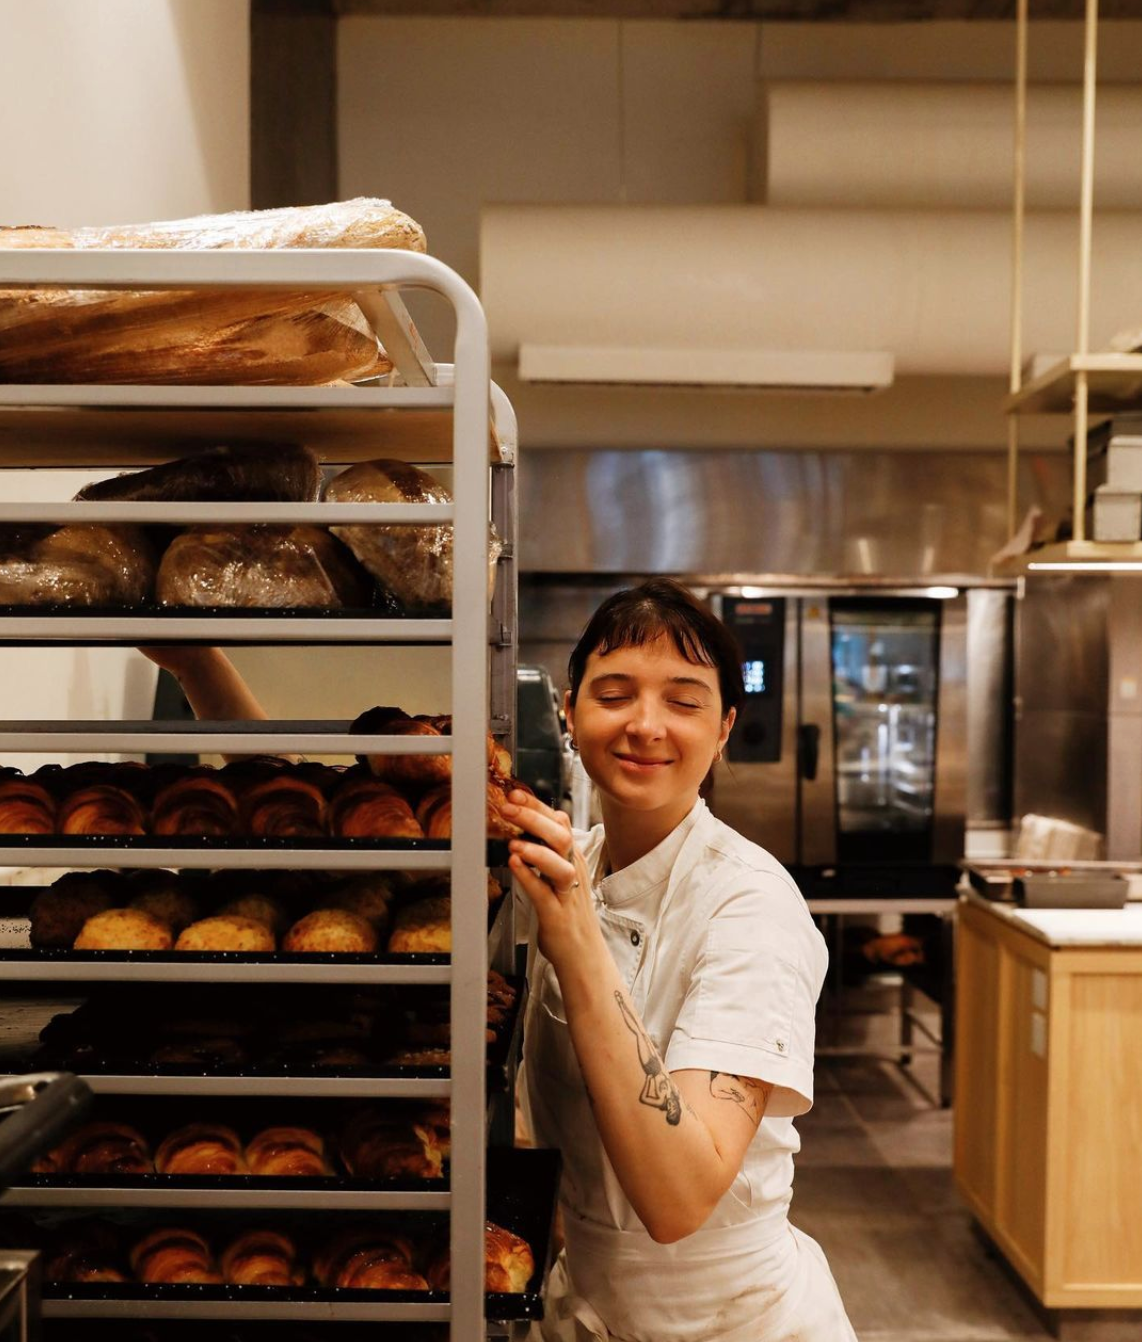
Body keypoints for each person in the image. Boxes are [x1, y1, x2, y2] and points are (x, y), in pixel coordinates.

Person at [507, 578, 855, 1341]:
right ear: (570, 710)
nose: (645, 725)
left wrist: (575, 944)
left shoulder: (750, 906)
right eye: (615, 692)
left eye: (684, 700)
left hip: (729, 1321)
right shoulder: (577, 867)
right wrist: (200, 666)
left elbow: (676, 1199)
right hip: (584, 1309)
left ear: (726, 726)